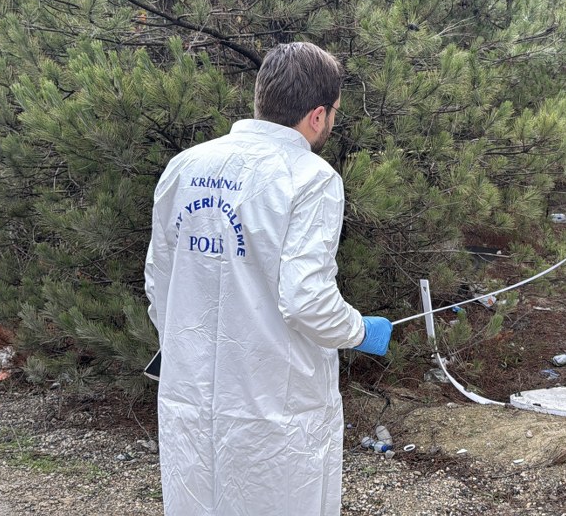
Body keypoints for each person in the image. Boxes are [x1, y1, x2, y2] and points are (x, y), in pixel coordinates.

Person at [144, 42, 392, 516]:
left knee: (197, 499)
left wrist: (188, 349)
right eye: (335, 112)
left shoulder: (187, 166)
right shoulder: (309, 178)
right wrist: (360, 330)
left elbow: (159, 282)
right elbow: (306, 301)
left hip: (190, 390)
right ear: (317, 115)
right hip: (275, 403)